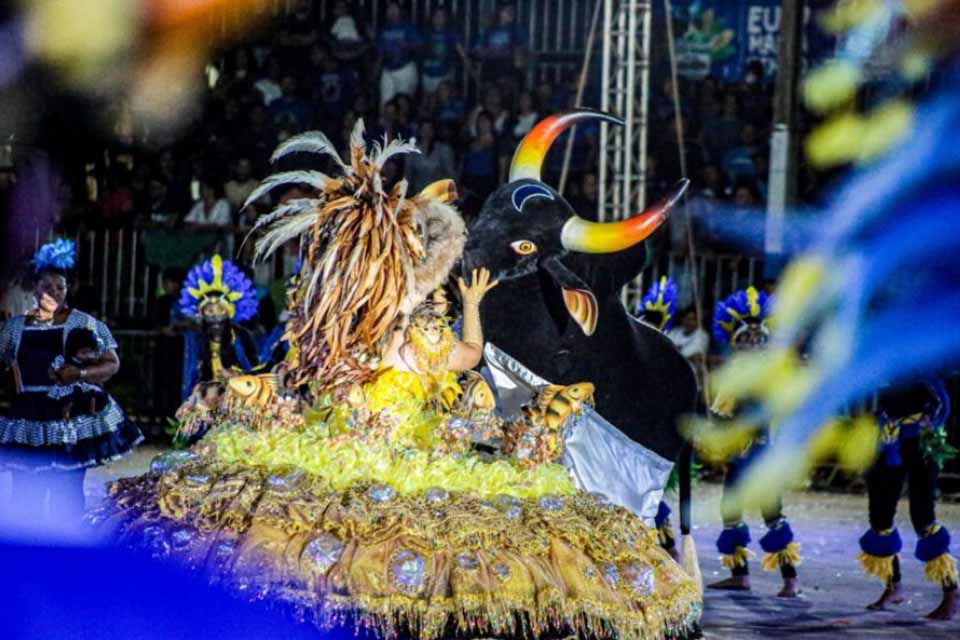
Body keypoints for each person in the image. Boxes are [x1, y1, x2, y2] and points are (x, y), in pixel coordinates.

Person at [92, 124, 701, 640]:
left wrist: (464, 296)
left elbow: (461, 352)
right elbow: (444, 345)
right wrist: (445, 292)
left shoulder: (403, 334)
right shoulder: (394, 331)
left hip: (389, 454)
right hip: (370, 456)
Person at [0, 239, 142, 524]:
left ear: (68, 290)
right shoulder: (14, 328)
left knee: (66, 493)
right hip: (28, 419)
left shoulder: (84, 323)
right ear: (34, 288)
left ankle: (66, 544)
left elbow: (112, 363)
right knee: (25, 493)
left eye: (60, 287)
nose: (54, 293)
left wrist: (80, 375)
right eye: (47, 286)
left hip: (68, 419)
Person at [706, 286, 800, 597]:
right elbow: (724, 413)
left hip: (763, 452)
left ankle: (791, 579)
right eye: (745, 339)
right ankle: (740, 575)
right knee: (730, 510)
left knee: (771, 513)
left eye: (757, 338)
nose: (752, 343)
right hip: (741, 453)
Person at [859, 378, 957, 620]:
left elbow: (942, 399)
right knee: (880, 517)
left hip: (921, 442)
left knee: (922, 517)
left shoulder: (918, 362)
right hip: (890, 440)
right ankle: (894, 587)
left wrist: (932, 423)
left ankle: (951, 593)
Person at [376, 3, 422, 108]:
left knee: (403, 104)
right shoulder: (384, 29)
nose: (392, 11)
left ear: (400, 10)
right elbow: (380, 53)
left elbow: (421, 46)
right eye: (389, 8)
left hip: (405, 69)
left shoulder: (408, 27)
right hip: (387, 70)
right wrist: (376, 70)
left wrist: (407, 45)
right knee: (385, 104)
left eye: (395, 8)